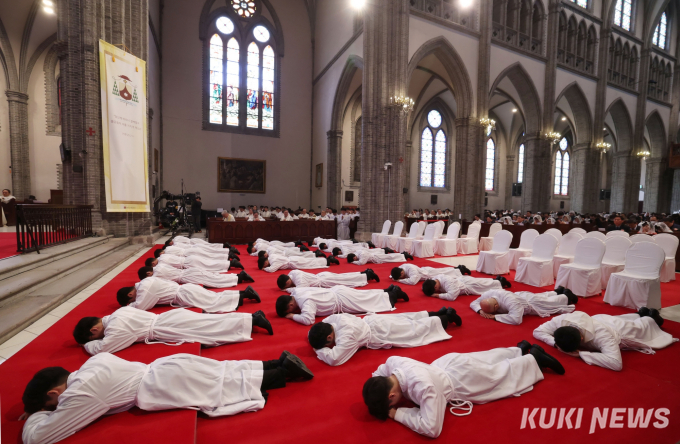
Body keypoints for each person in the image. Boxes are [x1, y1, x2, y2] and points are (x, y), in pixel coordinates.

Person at [20, 351, 314, 444]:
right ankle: (277, 363)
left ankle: (283, 373)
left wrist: (35, 415)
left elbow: (41, 438)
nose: (57, 408)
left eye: (52, 405)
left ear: (54, 393)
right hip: (166, 365)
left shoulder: (81, 392)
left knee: (222, 387)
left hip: (162, 384)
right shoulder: (92, 363)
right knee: (223, 371)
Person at [361, 343, 564, 438]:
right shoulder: (393, 363)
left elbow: (432, 428)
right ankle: (518, 349)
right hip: (448, 362)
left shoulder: (424, 387)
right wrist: (374, 392)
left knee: (498, 376)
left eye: (392, 402)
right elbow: (376, 374)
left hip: (459, 382)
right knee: (486, 357)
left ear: (391, 396)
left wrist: (397, 413)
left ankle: (534, 359)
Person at [73, 306, 274, 355]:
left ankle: (252, 319)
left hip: (166, 326)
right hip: (168, 319)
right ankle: (250, 318)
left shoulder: (115, 327)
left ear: (94, 329)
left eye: (94, 335)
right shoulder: (118, 312)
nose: (99, 337)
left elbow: (106, 348)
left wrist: (87, 345)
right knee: (211, 323)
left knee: (212, 329)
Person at [533, 309, 676, 371]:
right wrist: (554, 343)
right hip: (598, 320)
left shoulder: (602, 336)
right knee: (626, 318)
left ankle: (652, 318)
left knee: (641, 327)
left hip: (618, 330)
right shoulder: (562, 320)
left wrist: (582, 354)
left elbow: (616, 363)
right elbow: (538, 331)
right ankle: (639, 313)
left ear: (582, 338)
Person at [308, 309, 461, 366]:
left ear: (329, 337)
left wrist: (317, 349)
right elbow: (322, 322)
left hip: (381, 333)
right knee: (406, 318)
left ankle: (446, 319)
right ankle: (437, 312)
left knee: (414, 331)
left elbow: (334, 359)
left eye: (326, 344)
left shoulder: (346, 336)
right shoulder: (334, 320)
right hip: (373, 320)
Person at [275, 285, 409, 325]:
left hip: (342, 301)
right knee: (365, 295)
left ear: (291, 305)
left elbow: (308, 319)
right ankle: (387, 290)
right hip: (338, 291)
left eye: (290, 309)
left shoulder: (305, 302)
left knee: (368, 303)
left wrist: (292, 316)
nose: (293, 311)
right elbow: (291, 289)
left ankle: (393, 295)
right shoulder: (297, 291)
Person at [117, 277, 260, 313]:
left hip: (184, 294)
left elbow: (141, 306)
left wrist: (129, 306)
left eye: (132, 299)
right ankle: (244, 293)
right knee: (214, 297)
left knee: (213, 303)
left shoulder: (144, 288)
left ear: (131, 294)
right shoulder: (145, 281)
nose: (135, 299)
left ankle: (246, 294)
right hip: (185, 290)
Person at [469, 287, 577, 325]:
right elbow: (473, 303)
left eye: (491, 311)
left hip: (531, 303)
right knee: (543, 297)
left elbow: (516, 319)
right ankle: (557, 291)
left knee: (550, 303)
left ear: (496, 305)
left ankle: (567, 295)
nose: (490, 314)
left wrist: (495, 317)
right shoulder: (487, 295)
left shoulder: (510, 301)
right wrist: (480, 311)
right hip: (521, 296)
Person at [137, 264, 253, 289]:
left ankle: (239, 277)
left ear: (148, 274)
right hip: (190, 271)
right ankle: (238, 276)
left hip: (187, 277)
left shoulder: (156, 274)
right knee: (213, 276)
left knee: (214, 281)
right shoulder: (160, 266)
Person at [421, 274, 509, 302]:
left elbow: (452, 297)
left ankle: (501, 282)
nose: (437, 291)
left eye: (435, 290)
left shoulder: (448, 282)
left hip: (467, 286)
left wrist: (437, 295)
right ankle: (496, 280)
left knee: (485, 286)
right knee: (483, 282)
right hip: (461, 281)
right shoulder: (434, 280)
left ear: (435, 286)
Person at [277, 268, 379, 292]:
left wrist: (286, 290)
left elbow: (298, 290)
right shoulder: (292, 273)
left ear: (287, 282)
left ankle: (366, 275)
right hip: (322, 276)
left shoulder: (299, 281)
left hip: (324, 281)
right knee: (344, 276)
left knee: (346, 280)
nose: (289, 287)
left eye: (287, 286)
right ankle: (364, 273)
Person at [147, 250, 243, 272]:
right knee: (209, 261)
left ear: (153, 263)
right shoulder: (165, 255)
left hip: (188, 263)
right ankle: (228, 258)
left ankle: (231, 263)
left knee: (210, 266)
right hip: (189, 258)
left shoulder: (161, 263)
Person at [390, 264, 471, 286]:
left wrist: (400, 280)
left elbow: (412, 281)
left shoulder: (411, 270)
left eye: (401, 276)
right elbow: (392, 275)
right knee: (444, 270)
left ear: (401, 273)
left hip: (428, 274)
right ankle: (458, 268)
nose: (402, 277)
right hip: (426, 270)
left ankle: (461, 270)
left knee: (445, 273)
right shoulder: (401, 268)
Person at [258, 254, 339, 272]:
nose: (266, 265)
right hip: (293, 259)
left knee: (310, 263)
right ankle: (327, 260)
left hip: (294, 262)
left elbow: (272, 269)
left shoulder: (273, 261)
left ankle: (328, 261)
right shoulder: (272, 256)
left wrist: (264, 269)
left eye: (264, 265)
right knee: (309, 261)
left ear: (265, 263)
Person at [347, 249, 413, 265]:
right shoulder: (357, 253)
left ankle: (404, 255)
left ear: (354, 258)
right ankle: (402, 254)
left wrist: (353, 262)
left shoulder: (362, 255)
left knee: (391, 258)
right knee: (390, 257)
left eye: (354, 260)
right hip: (376, 256)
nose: (355, 260)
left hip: (377, 258)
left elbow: (361, 263)